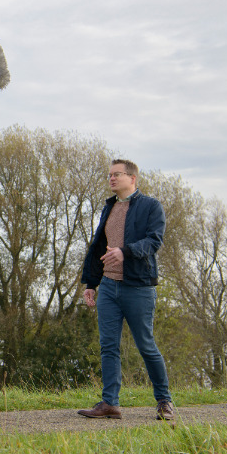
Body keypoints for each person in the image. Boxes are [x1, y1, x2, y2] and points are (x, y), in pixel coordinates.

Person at [77, 159, 175, 421]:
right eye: (109, 175)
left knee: (146, 345)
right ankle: (110, 403)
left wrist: (125, 252)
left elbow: (154, 241)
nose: (111, 179)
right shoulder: (109, 208)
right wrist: (91, 284)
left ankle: (164, 401)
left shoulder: (150, 206)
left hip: (138, 288)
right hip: (108, 287)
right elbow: (99, 248)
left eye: (116, 174)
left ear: (132, 178)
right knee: (108, 346)